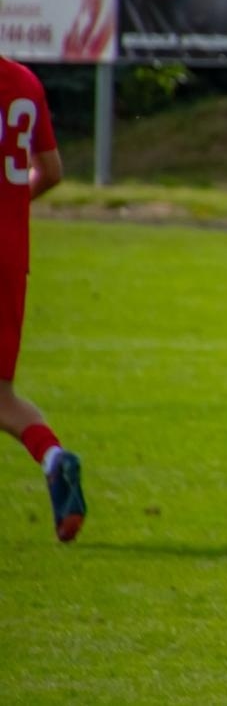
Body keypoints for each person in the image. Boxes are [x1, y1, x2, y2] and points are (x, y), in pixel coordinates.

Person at [0, 57, 84, 542]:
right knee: (0, 395)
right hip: (10, 258)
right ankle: (55, 459)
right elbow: (50, 170)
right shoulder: (25, 82)